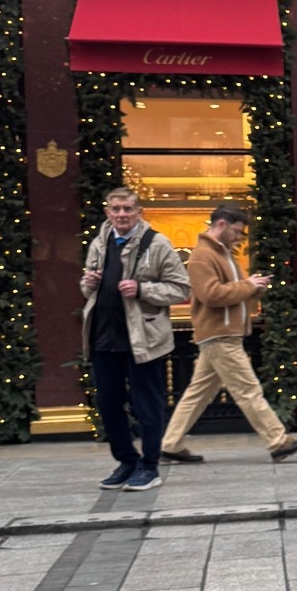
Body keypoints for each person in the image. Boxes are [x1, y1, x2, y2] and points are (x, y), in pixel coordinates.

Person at [161, 204, 297, 466]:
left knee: (199, 393)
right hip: (220, 334)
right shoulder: (203, 257)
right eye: (238, 231)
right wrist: (248, 285)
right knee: (248, 389)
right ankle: (278, 442)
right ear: (221, 225)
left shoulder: (219, 253)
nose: (240, 237)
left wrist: (253, 288)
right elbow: (211, 295)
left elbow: (226, 291)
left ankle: (170, 444)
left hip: (220, 333)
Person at [80, 187, 191, 492]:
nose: (122, 214)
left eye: (128, 209)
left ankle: (150, 466)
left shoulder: (157, 244)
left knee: (147, 406)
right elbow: (87, 287)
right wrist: (88, 283)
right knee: (109, 404)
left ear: (139, 211)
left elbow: (181, 288)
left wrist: (142, 290)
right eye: (115, 209)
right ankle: (126, 461)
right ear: (107, 212)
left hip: (143, 339)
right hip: (103, 337)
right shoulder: (99, 243)